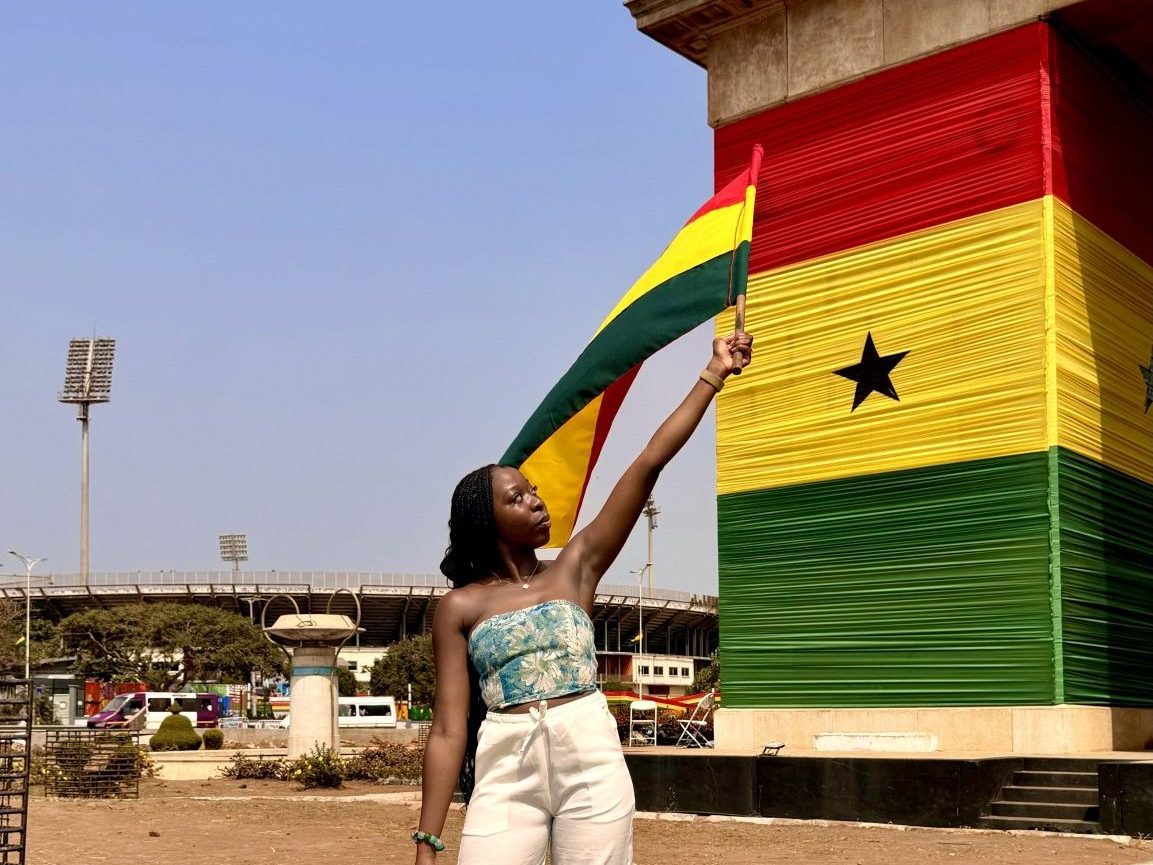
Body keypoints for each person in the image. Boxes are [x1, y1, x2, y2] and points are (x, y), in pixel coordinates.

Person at [412, 331, 753, 865]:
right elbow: (450, 729)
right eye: (517, 497)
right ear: (486, 521)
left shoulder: (575, 567)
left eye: (532, 490)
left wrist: (712, 375)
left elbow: (646, 464)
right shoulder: (460, 607)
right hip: (505, 764)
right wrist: (428, 841)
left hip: (590, 757)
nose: (536, 501)